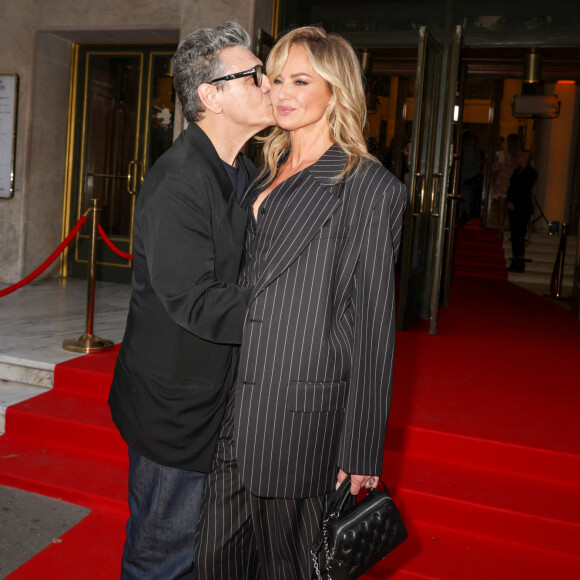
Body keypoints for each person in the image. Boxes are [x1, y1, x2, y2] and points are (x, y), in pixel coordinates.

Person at [195, 26, 406, 579]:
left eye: (301, 80)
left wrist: (362, 450)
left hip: (300, 423)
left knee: (288, 568)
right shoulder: (261, 170)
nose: (281, 92)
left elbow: (373, 328)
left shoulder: (367, 187)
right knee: (214, 558)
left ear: (336, 92)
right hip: (233, 411)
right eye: (277, 77)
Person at [107, 22, 274, 580]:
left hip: (217, 398)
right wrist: (288, 317)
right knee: (164, 556)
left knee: (204, 552)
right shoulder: (179, 179)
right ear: (211, 96)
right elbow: (195, 302)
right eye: (252, 75)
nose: (267, 82)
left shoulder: (241, 170)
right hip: (174, 409)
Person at [506, 149, 537, 272]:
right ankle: (515, 260)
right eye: (519, 155)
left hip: (523, 207)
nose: (519, 157)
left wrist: (516, 204)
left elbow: (525, 190)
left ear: (527, 158)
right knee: (514, 235)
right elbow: (511, 188)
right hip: (512, 206)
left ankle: (520, 262)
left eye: (522, 155)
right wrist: (509, 201)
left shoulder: (531, 172)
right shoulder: (515, 172)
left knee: (520, 234)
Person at [490, 133, 520, 235]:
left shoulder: (503, 153)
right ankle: (509, 226)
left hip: (503, 182)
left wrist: (489, 167)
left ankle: (501, 227)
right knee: (511, 207)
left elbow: (497, 166)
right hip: (513, 184)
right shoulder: (519, 156)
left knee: (501, 207)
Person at [459, 129, 484, 226]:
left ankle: (463, 215)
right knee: (469, 197)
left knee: (463, 197)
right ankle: (467, 215)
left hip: (462, 177)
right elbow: (478, 165)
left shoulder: (461, 148)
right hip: (471, 177)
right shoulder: (476, 149)